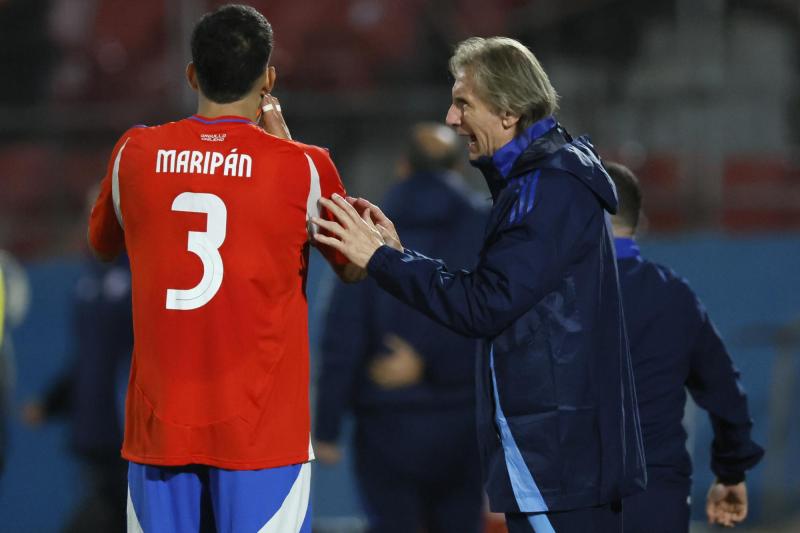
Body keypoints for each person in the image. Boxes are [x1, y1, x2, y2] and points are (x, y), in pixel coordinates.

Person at [312, 37, 646, 532]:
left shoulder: (546, 188)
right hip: (555, 448)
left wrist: (383, 261)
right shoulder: (537, 184)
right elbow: (493, 292)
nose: (451, 117)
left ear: (508, 112)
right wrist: (400, 258)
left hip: (557, 454)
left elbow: (485, 305)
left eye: (463, 102)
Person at [87, 5, 362, 531]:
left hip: (160, 429)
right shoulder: (303, 164)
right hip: (262, 433)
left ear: (191, 73)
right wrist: (284, 146)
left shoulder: (135, 152)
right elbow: (352, 267)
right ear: (269, 78)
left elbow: (102, 245)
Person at [314, 122, 488, 533]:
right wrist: (435, 364)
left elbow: (345, 333)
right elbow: (495, 313)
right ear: (457, 168)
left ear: (403, 167)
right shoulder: (486, 226)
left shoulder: (368, 225)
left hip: (386, 424)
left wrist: (327, 427)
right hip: (462, 419)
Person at [603, 161, 765, 532]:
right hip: (655, 499)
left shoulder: (547, 295)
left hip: (565, 499)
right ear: (639, 223)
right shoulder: (673, 296)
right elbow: (727, 394)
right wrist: (730, 472)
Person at [22, 250, 132, 532]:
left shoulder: (140, 273)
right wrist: (51, 403)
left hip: (127, 430)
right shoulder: (90, 279)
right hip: (94, 429)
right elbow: (87, 359)